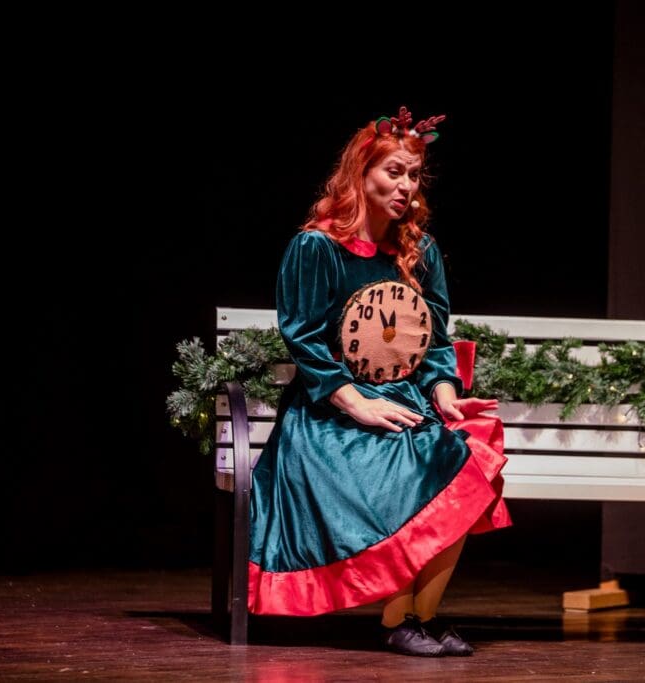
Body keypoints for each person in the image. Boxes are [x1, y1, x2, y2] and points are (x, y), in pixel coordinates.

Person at [248, 106, 512, 657]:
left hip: (404, 398)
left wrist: (445, 396)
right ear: (360, 173)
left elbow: (434, 340)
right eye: (394, 172)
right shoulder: (318, 247)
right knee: (415, 463)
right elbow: (303, 337)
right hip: (330, 414)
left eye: (413, 175)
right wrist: (358, 404)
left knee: (465, 451)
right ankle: (401, 621)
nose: (406, 186)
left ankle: (419, 617)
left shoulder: (420, 251)